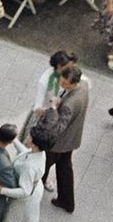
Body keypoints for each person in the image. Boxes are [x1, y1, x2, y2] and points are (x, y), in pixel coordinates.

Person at [34, 63, 88, 214]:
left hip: (58, 143)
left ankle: (32, 195)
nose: (60, 83)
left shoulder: (69, 104)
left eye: (64, 82)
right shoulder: (83, 86)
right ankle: (66, 201)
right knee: (65, 169)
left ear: (70, 82)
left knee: (40, 168)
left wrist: (52, 108)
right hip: (72, 138)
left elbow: (57, 127)